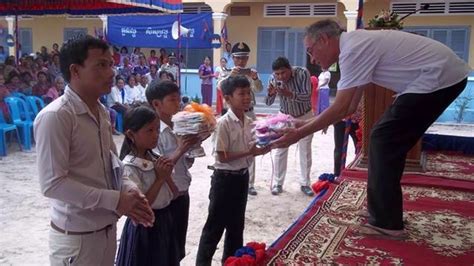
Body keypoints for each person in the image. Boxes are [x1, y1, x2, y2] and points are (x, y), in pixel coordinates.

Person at [272, 19, 470, 237]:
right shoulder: (354, 45)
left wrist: (297, 134)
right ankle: (386, 212)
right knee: (387, 140)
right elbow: (349, 106)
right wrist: (303, 123)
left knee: (383, 138)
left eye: (311, 50)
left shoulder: (353, 49)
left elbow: (341, 107)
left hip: (439, 77)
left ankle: (386, 222)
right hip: (441, 76)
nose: (312, 58)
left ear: (324, 40)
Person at [34, 35, 154, 265]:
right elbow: (53, 184)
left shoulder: (100, 111)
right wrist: (115, 200)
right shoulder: (56, 116)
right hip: (77, 241)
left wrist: (129, 189)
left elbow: (112, 163)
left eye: (110, 64)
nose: (111, 72)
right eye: (101, 65)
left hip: (106, 231)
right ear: (75, 71)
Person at [196, 75, 271, 265]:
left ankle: (231, 262)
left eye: (248, 93)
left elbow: (249, 151)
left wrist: (264, 148)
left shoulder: (248, 121)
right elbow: (222, 156)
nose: (247, 97)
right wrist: (249, 151)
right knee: (214, 227)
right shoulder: (223, 123)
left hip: (241, 178)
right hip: (224, 180)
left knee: (236, 226)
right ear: (228, 98)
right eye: (241, 94)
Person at [116, 105, 180, 266]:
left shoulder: (156, 158)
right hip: (145, 226)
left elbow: (175, 193)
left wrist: (166, 175)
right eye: (149, 131)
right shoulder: (129, 166)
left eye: (157, 130)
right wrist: (159, 179)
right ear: (131, 134)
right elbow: (141, 206)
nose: (156, 135)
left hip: (165, 219)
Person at [146, 80, 200, 262]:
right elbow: (158, 167)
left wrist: (191, 150)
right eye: (173, 100)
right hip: (166, 199)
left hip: (182, 193)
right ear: (156, 104)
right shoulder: (153, 133)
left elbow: (184, 164)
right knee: (164, 251)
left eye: (179, 100)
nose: (178, 105)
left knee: (178, 249)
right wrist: (181, 150)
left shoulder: (179, 127)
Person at [265, 57, 314, 196]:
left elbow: (307, 96)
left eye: (283, 73)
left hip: (304, 115)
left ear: (290, 69)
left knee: (305, 150)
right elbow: (268, 102)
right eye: (277, 74)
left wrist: (289, 94)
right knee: (280, 148)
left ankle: (305, 183)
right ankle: (278, 183)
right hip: (284, 116)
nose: (280, 76)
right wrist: (270, 93)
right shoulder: (273, 78)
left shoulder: (302, 73)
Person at [220, 42, 264, 195]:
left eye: (244, 58)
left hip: (249, 113)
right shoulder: (226, 72)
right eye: (238, 58)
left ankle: (250, 183)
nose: (241, 61)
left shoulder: (250, 72)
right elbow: (220, 88)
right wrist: (230, 76)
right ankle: (233, 175)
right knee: (233, 145)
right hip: (232, 114)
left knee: (251, 145)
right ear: (233, 58)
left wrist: (256, 78)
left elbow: (259, 89)